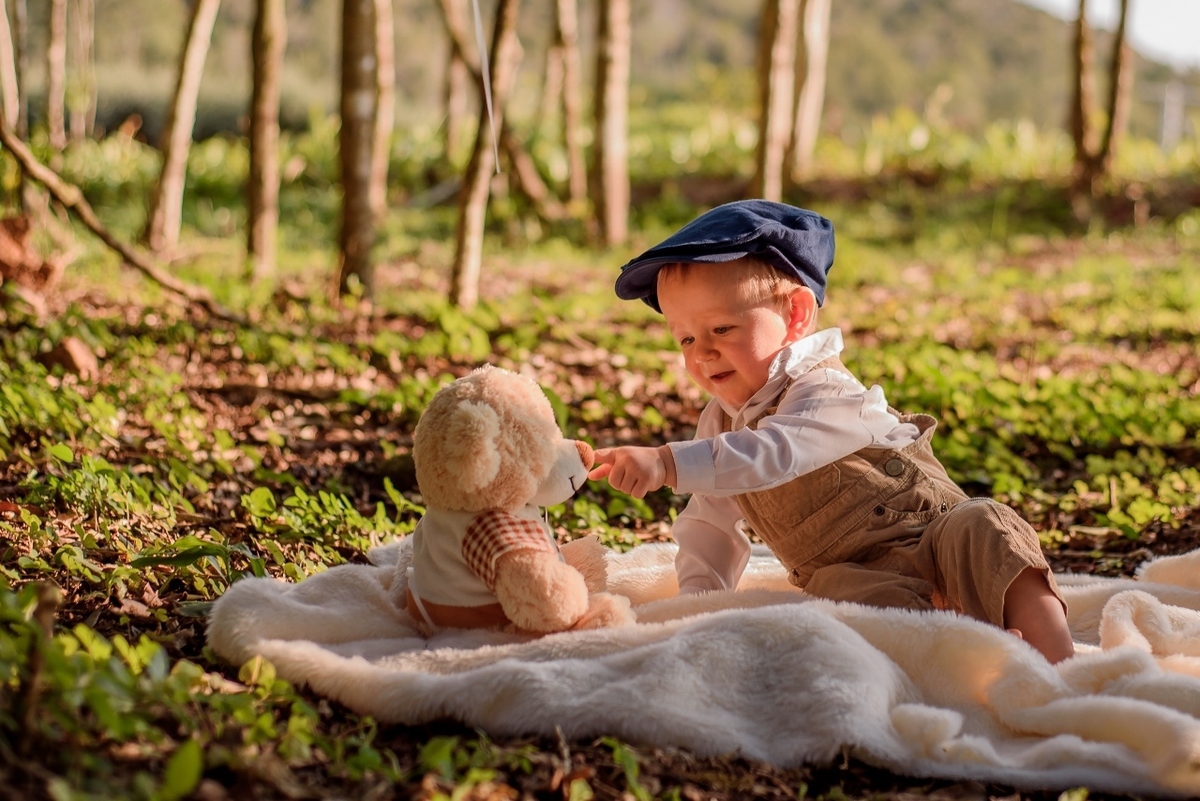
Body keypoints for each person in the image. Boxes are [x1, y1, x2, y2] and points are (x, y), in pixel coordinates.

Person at [588, 199, 1074, 664]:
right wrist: (698, 607)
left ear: (796, 315)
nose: (701, 354)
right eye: (686, 338)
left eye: (721, 330)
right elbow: (709, 523)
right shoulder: (720, 423)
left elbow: (776, 452)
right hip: (853, 571)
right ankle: (962, 648)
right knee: (837, 603)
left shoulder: (824, 389)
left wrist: (670, 462)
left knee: (987, 527)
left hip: (933, 537)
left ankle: (1053, 665)